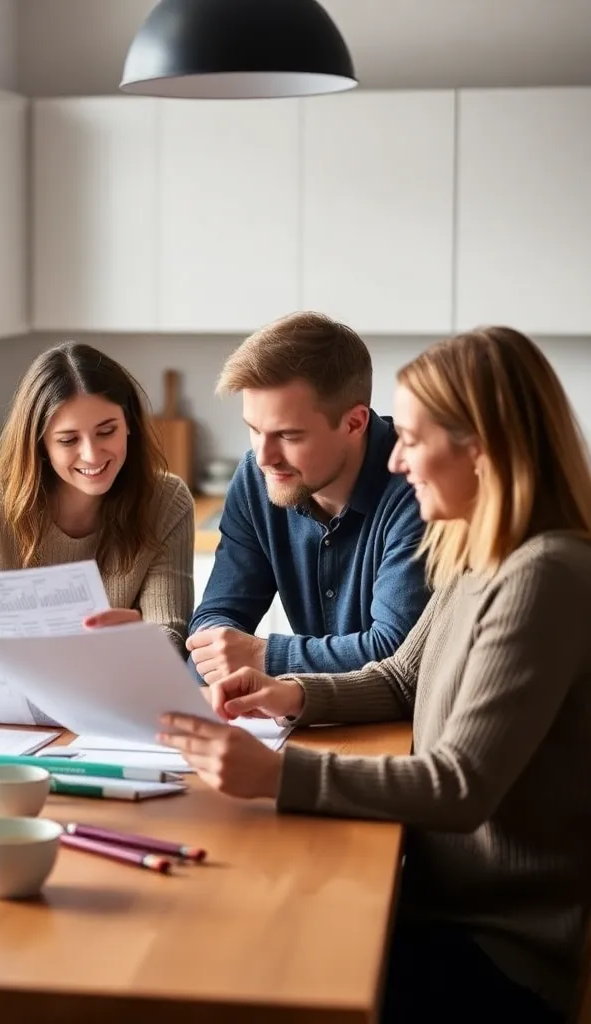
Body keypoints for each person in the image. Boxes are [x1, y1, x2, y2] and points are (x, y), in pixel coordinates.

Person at [159, 326, 591, 1023]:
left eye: (412, 440)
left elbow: (459, 785)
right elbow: (400, 677)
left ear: (479, 449)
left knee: (248, 967)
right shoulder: (479, 551)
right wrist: (289, 693)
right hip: (432, 905)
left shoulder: (544, 575)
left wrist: (276, 775)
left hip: (497, 948)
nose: (396, 461)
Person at [187, 310, 430, 682]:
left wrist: (262, 655)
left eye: (288, 435)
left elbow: (397, 651)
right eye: (254, 429)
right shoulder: (256, 478)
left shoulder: (421, 486)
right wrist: (217, 647)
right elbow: (218, 615)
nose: (264, 457)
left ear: (354, 423)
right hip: (306, 708)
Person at [0, 341, 194, 650]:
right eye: (68, 440)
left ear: (129, 423)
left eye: (106, 432)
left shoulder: (167, 501)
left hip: (117, 676)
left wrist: (141, 637)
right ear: (41, 444)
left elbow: (171, 633)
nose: (92, 455)